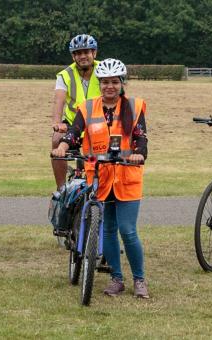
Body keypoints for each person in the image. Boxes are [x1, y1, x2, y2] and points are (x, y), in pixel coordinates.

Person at [51, 59, 150, 298]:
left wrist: (138, 154)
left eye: (115, 82)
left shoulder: (134, 107)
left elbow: (141, 138)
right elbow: (74, 134)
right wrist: (63, 146)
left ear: (122, 83)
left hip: (126, 176)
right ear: (99, 83)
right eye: (105, 82)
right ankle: (116, 278)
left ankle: (139, 280)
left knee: (127, 230)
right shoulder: (86, 108)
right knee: (107, 230)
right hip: (100, 178)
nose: (109, 87)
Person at [51, 34, 101, 190]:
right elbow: (59, 100)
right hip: (73, 124)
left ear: (94, 53)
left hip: (98, 125)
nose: (82, 56)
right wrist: (58, 123)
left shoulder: (103, 70)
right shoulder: (65, 75)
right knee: (56, 139)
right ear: (73, 56)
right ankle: (61, 189)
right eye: (78, 53)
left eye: (86, 52)